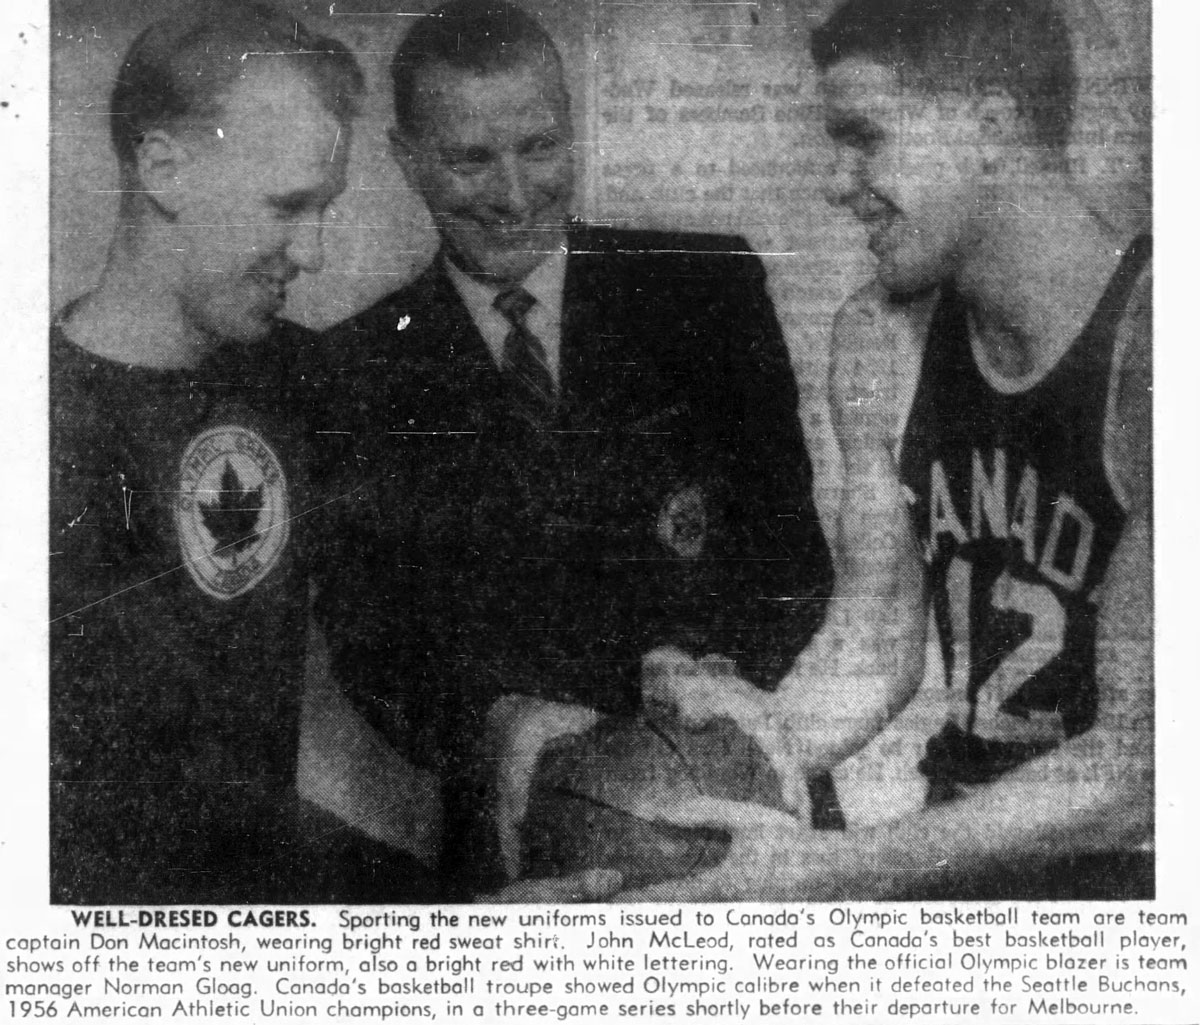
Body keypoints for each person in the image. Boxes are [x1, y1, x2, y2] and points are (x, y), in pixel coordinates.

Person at [632, 0, 1152, 901]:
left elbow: (1143, 773)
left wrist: (833, 869)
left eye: (864, 137)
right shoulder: (879, 337)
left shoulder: (1156, 342)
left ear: (991, 125)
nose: (837, 184)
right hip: (961, 855)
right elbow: (875, 641)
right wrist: (758, 732)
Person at [312, 0, 834, 897]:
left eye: (541, 147)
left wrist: (705, 670)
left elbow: (791, 564)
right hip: (531, 848)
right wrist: (497, 723)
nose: (515, 195)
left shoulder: (706, 290)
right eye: (471, 158)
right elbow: (375, 646)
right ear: (405, 159)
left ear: (575, 129)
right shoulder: (355, 369)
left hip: (741, 813)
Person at [49, 1, 434, 903]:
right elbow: (137, 837)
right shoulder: (32, 429)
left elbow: (403, 628)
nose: (315, 252)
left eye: (326, 209)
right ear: (163, 167)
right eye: (288, 206)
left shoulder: (303, 380)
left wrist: (517, 727)